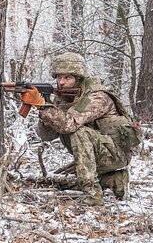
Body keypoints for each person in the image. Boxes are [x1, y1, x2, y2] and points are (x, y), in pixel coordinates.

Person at [21, 52, 140, 206]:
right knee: (60, 180)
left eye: (67, 78)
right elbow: (46, 135)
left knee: (78, 131)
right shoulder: (64, 97)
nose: (61, 82)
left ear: (79, 78)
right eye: (59, 77)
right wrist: (44, 108)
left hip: (116, 154)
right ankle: (115, 180)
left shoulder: (97, 97)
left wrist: (43, 107)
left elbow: (69, 124)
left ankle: (93, 195)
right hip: (96, 154)